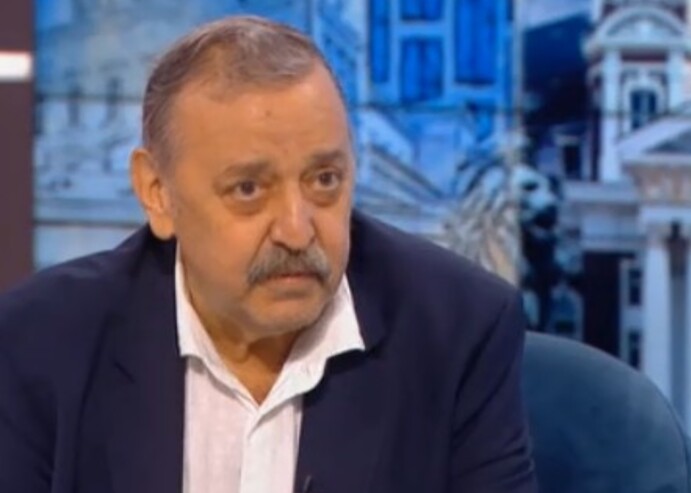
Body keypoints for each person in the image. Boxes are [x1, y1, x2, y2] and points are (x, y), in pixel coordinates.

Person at [0, 16, 537, 493]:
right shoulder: (42, 340)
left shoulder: (457, 331)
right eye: (249, 189)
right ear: (157, 192)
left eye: (324, 180)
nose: (297, 232)